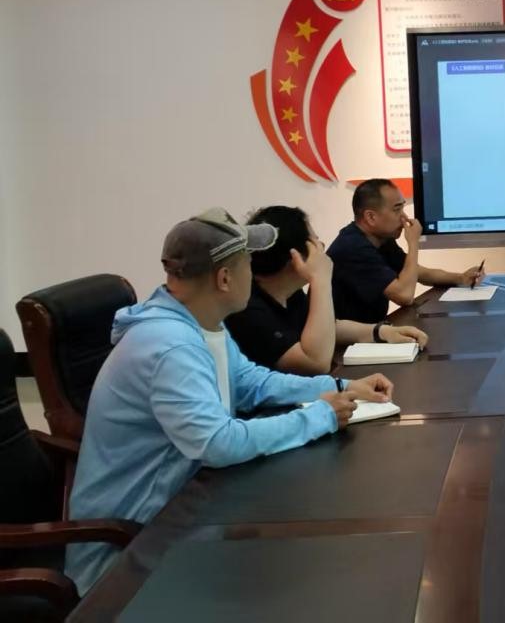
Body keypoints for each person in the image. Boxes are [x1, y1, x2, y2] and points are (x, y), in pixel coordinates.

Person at [65, 208, 394, 595]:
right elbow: (218, 443)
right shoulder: (170, 346)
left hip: (187, 510)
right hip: (131, 554)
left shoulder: (201, 323)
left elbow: (251, 382)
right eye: (247, 265)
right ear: (224, 278)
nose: (254, 274)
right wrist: (320, 416)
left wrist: (338, 386)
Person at [226, 205, 428, 373]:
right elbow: (315, 363)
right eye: (315, 241)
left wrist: (382, 332)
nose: (321, 246)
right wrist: (320, 278)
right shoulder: (248, 309)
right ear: (296, 256)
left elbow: (328, 327)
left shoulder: (288, 292)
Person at [327, 179, 484, 323]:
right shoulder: (352, 247)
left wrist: (461, 277)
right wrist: (413, 243)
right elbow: (404, 295)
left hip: (371, 332)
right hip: (345, 341)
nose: (404, 217)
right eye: (397, 210)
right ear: (371, 217)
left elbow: (418, 272)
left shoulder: (381, 239)